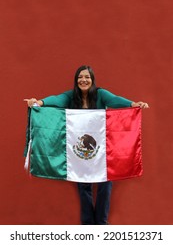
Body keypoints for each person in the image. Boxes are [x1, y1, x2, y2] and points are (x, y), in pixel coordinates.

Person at [24, 65, 149, 225]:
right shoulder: (71, 96)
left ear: (92, 80)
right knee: (83, 187)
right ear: (76, 81)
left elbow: (115, 100)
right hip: (80, 153)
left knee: (105, 185)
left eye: (87, 77)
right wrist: (39, 102)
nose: (83, 80)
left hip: (102, 151)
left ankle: (101, 223)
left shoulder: (100, 94)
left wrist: (133, 104)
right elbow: (57, 99)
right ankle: (88, 224)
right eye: (80, 77)